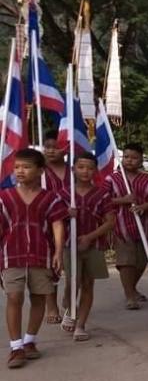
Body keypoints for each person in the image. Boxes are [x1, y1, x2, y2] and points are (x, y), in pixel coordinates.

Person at [1, 149, 66, 368]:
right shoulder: (5, 197)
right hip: (12, 255)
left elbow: (58, 223)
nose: (20, 171)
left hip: (41, 254)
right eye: (17, 166)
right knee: (14, 297)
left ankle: (30, 341)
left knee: (39, 297)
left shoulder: (51, 197)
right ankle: (15, 346)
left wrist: (58, 252)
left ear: (40, 171)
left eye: (26, 167)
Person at [60, 152, 115, 342]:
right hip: (69, 245)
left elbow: (110, 222)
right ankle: (69, 306)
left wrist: (90, 237)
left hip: (94, 245)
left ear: (95, 171)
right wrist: (66, 214)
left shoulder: (102, 194)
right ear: (74, 169)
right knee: (71, 282)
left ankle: (80, 324)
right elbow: (53, 220)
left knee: (87, 284)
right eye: (81, 167)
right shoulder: (64, 194)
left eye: (90, 168)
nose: (85, 171)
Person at [106, 142, 148, 310]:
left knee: (142, 261)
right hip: (121, 227)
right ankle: (130, 296)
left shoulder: (146, 179)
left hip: (143, 227)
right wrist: (124, 200)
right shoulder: (112, 179)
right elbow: (103, 199)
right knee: (126, 262)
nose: (129, 161)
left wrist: (143, 207)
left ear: (141, 160)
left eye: (134, 158)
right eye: (126, 157)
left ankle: (132, 288)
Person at [41, 129, 69, 324]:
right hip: (47, 223)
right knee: (51, 266)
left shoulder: (75, 169)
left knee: (75, 266)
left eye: (56, 147)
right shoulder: (40, 171)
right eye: (48, 147)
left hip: (75, 222)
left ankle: (70, 300)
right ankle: (51, 306)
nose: (51, 151)